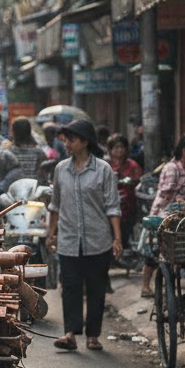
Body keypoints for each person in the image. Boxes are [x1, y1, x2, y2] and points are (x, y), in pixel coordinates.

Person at [45, 119, 122, 352]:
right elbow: (55, 204)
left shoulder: (103, 170)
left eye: (71, 139)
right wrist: (51, 233)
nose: (66, 143)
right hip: (69, 240)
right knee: (70, 286)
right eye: (65, 139)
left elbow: (112, 206)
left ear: (85, 142)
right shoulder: (61, 169)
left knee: (96, 289)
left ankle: (93, 335)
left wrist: (117, 238)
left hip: (98, 240)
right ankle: (70, 333)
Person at [140, 133, 185, 297]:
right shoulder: (172, 168)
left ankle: (176, 286)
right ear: (184, 150)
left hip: (180, 215)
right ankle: (145, 286)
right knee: (153, 253)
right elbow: (166, 193)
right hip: (164, 214)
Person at [105, 132, 143, 247]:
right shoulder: (105, 166)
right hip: (108, 206)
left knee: (125, 234)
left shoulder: (132, 165)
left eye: (122, 147)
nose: (119, 150)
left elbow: (139, 180)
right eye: (116, 147)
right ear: (110, 150)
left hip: (128, 207)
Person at [0, 116, 48, 193]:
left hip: (12, 194)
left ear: (13, 132)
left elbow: (0, 175)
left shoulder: (7, 152)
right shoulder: (39, 152)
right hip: (33, 193)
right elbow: (43, 177)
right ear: (29, 131)